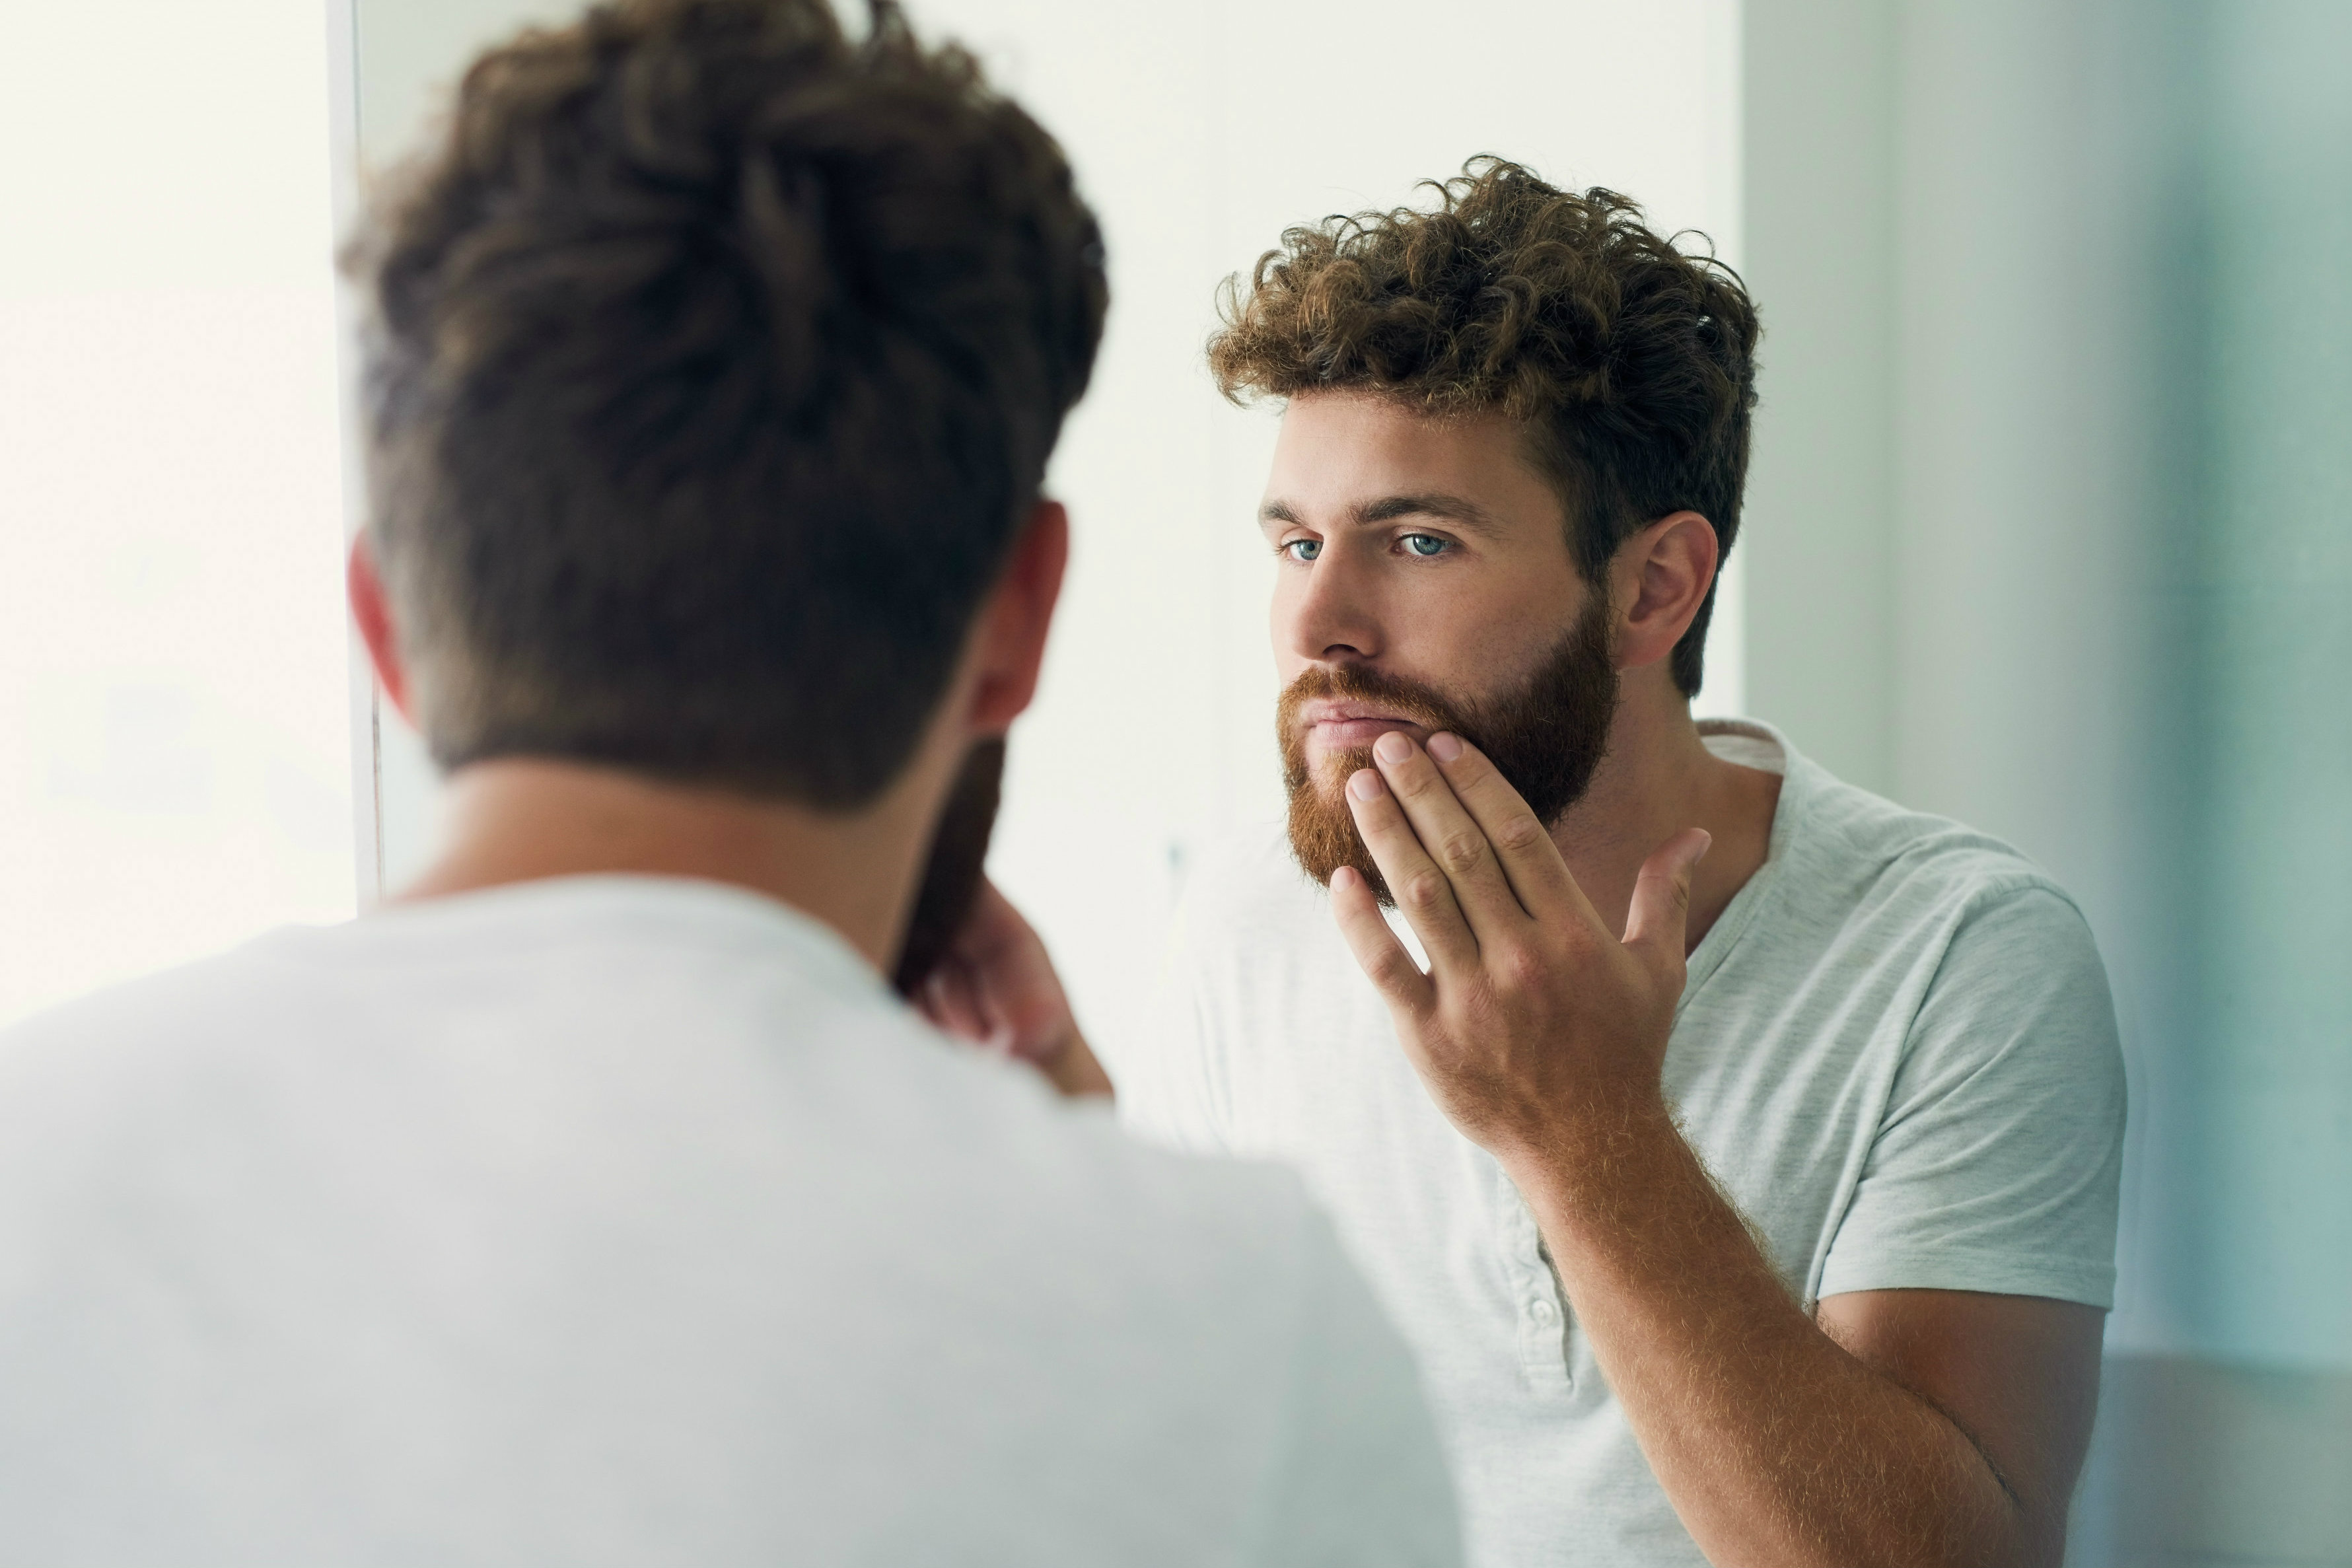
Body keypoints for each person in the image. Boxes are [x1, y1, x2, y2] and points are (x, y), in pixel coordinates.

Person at [0, 3, 1462, 1561]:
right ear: (1018, 618)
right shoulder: (1244, 1339)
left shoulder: (37, 1169)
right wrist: (1100, 1227)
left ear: (385, 623)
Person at [931, 162, 2127, 1568]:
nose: (1317, 619)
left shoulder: (1952, 956)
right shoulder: (1253, 914)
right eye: (1295, 542)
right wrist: (1064, 1104)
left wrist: (1581, 1131)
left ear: (1653, 587)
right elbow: (1203, 1443)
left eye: (1417, 539)